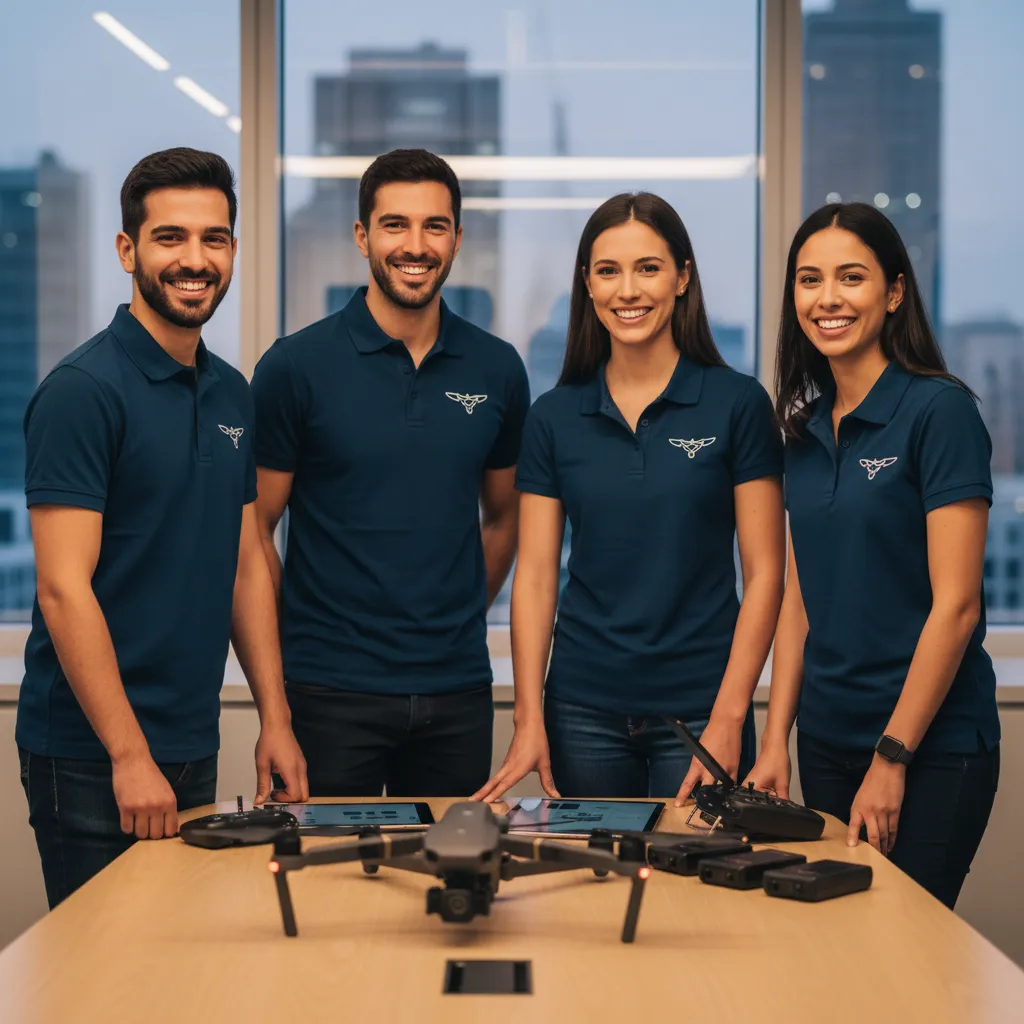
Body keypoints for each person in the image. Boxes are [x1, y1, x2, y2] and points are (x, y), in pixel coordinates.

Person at [16, 148, 308, 908]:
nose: (194, 259)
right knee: (101, 977)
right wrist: (127, 754)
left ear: (233, 251)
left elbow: (246, 561)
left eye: (214, 239)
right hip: (90, 750)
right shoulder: (83, 392)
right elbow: (60, 590)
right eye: (170, 238)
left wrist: (273, 717)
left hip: (190, 737)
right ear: (128, 251)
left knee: (175, 969)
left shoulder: (231, 394)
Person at [475, 192, 785, 803]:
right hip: (581, 710)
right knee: (590, 892)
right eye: (608, 270)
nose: (628, 290)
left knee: (701, 892)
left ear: (682, 278)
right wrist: (528, 716)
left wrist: (729, 716)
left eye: (648, 268)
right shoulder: (554, 416)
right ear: (587, 285)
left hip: (701, 711)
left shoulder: (737, 404)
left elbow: (767, 573)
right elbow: (535, 577)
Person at [251, 149, 529, 797]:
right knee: (326, 890)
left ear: (457, 239)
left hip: (457, 692)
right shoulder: (294, 368)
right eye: (395, 224)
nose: (416, 244)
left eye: (435, 226)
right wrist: (278, 695)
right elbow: (254, 529)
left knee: (450, 888)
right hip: (327, 692)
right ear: (362, 237)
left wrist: (456, 609)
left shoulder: (497, 369)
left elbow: (506, 515)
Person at [745, 202, 1000, 909]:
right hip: (826, 741)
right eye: (809, 279)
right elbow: (800, 603)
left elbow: (957, 606)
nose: (827, 298)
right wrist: (775, 744)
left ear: (892, 293)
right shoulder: (800, 429)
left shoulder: (938, 412)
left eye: (850, 278)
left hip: (933, 746)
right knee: (841, 949)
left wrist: (893, 757)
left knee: (907, 953)